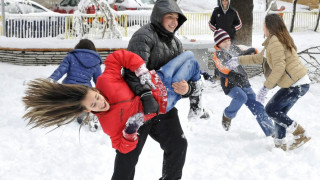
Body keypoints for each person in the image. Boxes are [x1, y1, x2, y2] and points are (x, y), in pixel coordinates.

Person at [23, 49, 202, 178]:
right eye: (94, 104)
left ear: (94, 89)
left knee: (190, 57)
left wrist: (140, 69)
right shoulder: (108, 124)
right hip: (164, 102)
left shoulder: (105, 81)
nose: (100, 103)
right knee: (131, 159)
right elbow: (122, 146)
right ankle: (195, 92)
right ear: (88, 110)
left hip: (159, 78)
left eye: (96, 97)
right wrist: (129, 133)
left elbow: (116, 57)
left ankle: (197, 94)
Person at [120, 0, 209, 179]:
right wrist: (146, 96)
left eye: (177, 18)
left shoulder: (175, 43)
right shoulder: (143, 36)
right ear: (159, 16)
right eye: (170, 17)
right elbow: (132, 72)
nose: (174, 22)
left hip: (163, 107)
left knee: (178, 145)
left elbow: (178, 79)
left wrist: (188, 89)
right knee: (128, 155)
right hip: (139, 106)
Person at [231, 14, 311, 151]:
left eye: (264, 25)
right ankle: (279, 145)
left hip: (296, 84)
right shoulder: (274, 41)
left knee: (271, 109)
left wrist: (265, 88)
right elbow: (258, 58)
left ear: (268, 26)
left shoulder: (275, 42)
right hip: (298, 83)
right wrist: (238, 60)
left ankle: (300, 133)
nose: (263, 27)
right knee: (278, 112)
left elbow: (279, 67)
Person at [212, 28, 274, 136]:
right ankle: (228, 115)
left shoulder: (234, 48)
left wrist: (252, 52)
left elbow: (242, 54)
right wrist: (231, 74)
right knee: (241, 97)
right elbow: (221, 68)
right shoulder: (218, 54)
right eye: (223, 41)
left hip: (243, 81)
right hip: (230, 84)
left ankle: (271, 131)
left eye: (228, 40)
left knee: (257, 106)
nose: (227, 43)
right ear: (218, 43)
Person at [48, 39, 102, 131]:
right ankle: (84, 116)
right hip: (85, 90)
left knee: (64, 101)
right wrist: (102, 91)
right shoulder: (95, 62)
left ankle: (61, 115)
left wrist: (51, 79)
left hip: (69, 88)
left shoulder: (71, 57)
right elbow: (99, 80)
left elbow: (61, 70)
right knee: (84, 103)